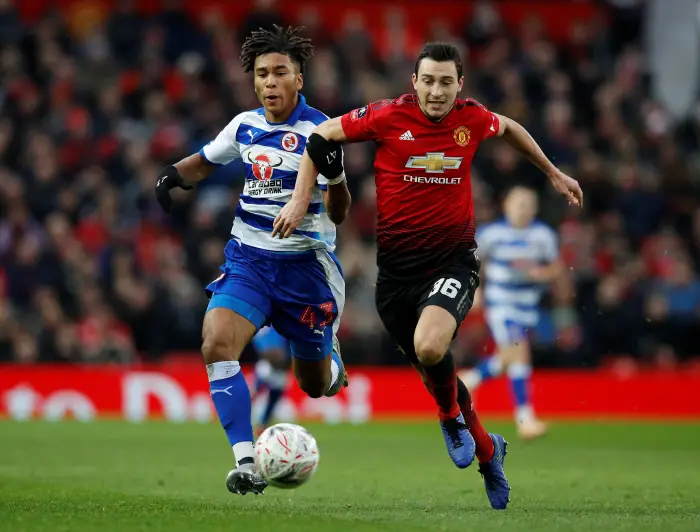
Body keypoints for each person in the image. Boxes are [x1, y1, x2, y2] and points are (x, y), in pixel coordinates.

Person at [273, 42, 583, 510]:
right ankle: (487, 451)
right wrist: (301, 198)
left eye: (446, 82)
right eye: (428, 81)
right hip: (395, 279)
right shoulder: (385, 115)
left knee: (431, 347)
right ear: (413, 83)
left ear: (460, 85)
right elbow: (320, 137)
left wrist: (553, 173)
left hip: (452, 263)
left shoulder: (472, 118)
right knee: (439, 374)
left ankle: (449, 419)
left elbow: (511, 128)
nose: (436, 91)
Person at [155, 25, 351, 496]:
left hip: (307, 271)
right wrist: (170, 178)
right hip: (249, 260)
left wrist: (331, 181)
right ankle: (245, 462)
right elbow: (205, 160)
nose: (269, 81)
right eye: (262, 73)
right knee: (217, 342)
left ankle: (331, 364)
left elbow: (341, 211)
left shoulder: (321, 132)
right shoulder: (244, 125)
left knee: (313, 384)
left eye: (280, 72)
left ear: (298, 79)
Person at [460, 186, 563, 440]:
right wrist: (477, 291)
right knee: (519, 351)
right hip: (501, 302)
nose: (523, 209)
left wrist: (545, 273)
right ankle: (525, 419)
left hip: (528, 305)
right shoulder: (493, 234)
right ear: (507, 206)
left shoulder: (542, 235)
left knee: (508, 357)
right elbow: (472, 262)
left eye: (528, 204)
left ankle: (470, 380)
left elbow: (556, 266)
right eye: (518, 204)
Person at [250, 325, 290, 437]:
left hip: (280, 368)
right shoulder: (263, 328)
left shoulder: (279, 325)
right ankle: (242, 415)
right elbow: (266, 349)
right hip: (268, 365)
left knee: (273, 398)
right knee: (258, 391)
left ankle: (262, 425)